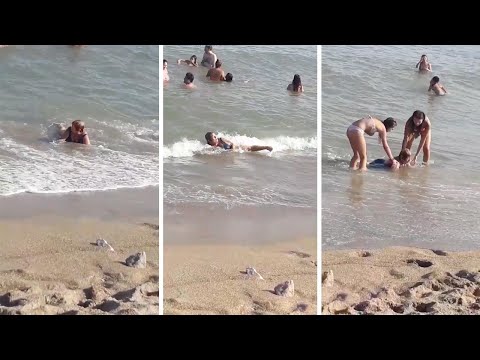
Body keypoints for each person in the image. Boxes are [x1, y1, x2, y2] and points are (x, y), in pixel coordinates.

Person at [205, 132, 272, 152]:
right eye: (214, 137)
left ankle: (266, 147)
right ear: (209, 141)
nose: (216, 137)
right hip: (232, 154)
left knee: (250, 148)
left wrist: (233, 150)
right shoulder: (209, 146)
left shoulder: (221, 139)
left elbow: (232, 144)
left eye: (215, 136)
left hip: (237, 148)